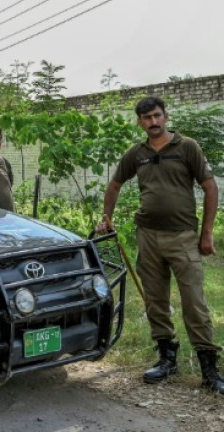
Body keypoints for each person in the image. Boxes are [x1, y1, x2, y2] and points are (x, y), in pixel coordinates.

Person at [96, 96, 223, 394]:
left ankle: (209, 369)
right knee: (155, 299)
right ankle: (167, 358)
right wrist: (107, 217)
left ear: (166, 116)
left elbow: (209, 187)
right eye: (146, 118)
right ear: (140, 122)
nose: (152, 122)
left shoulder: (187, 147)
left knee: (194, 302)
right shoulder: (136, 153)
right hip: (148, 236)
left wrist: (206, 233)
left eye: (156, 116)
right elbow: (115, 184)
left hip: (183, 237)